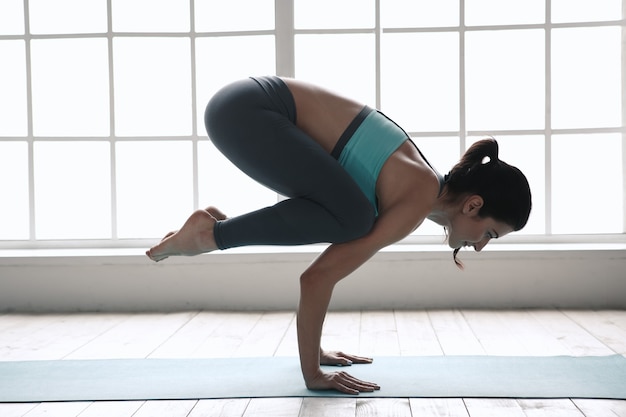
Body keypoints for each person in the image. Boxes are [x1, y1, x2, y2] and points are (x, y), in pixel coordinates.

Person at [146, 75, 532, 394]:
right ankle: (209, 235)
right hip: (248, 111)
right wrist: (312, 374)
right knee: (354, 218)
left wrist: (317, 350)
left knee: (352, 214)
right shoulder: (416, 197)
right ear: (473, 205)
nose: (479, 246)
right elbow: (317, 278)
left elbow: (320, 270)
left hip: (240, 107)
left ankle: (210, 232)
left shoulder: (417, 184)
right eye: (491, 234)